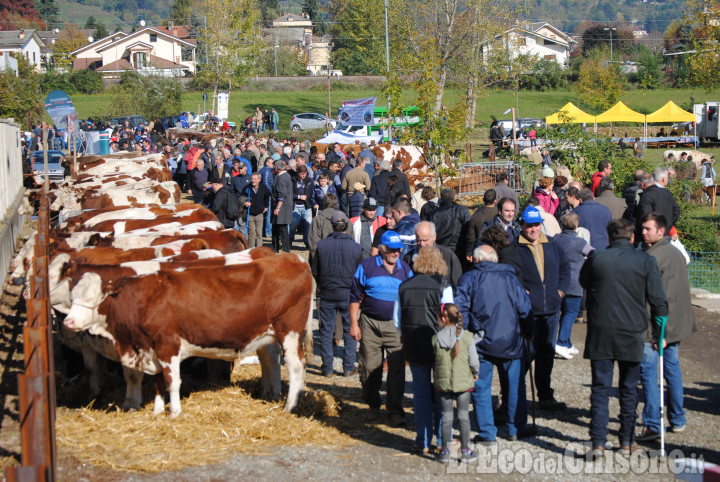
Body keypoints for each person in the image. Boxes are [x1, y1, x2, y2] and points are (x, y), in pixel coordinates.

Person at [579, 219, 668, 459]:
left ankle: (598, 441)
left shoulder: (596, 258)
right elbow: (659, 301)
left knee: (600, 388)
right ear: (632, 237)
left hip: (601, 331)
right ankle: (627, 439)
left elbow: (583, 282)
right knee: (629, 388)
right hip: (632, 331)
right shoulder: (645, 261)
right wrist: (660, 335)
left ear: (609, 237)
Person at [454, 245, 533, 444]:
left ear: (478, 260)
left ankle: (487, 433)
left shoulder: (470, 277)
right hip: (511, 340)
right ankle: (516, 428)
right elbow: (525, 309)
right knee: (515, 386)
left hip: (481, 341)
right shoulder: (511, 278)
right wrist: (530, 333)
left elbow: (460, 308)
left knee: (481, 387)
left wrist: (466, 332)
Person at [637, 213, 697, 441]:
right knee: (672, 370)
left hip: (658, 325)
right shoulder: (676, 253)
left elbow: (657, 298)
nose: (643, 232)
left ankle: (653, 423)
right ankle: (678, 418)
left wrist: (656, 332)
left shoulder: (652, 257)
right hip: (676, 322)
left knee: (650, 373)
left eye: (648, 229)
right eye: (642, 228)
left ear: (661, 231)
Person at [394, 247, 454, 455]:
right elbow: (451, 319)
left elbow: (396, 319)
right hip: (439, 344)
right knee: (441, 392)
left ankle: (423, 440)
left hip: (414, 342)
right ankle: (443, 439)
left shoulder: (404, 286)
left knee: (420, 393)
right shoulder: (443, 286)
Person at [350, 231, 413, 425]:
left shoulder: (405, 269)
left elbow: (410, 298)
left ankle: (394, 410)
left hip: (395, 327)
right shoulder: (366, 266)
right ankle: (373, 405)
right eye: (392, 250)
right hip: (369, 324)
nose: (396, 254)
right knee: (369, 367)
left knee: (396, 370)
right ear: (382, 249)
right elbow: (354, 296)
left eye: (398, 250)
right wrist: (354, 323)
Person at [516, 206, 569, 411]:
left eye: (536, 225)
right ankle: (512, 393)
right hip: (529, 310)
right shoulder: (516, 248)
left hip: (551, 308)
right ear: (522, 226)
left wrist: (561, 291)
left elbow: (565, 269)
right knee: (526, 354)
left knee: (546, 353)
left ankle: (545, 395)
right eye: (529, 225)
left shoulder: (553, 245)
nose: (533, 229)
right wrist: (522, 293)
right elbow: (512, 275)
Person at [312, 211, 363, 378]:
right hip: (348, 294)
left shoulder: (322, 245)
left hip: (328, 292)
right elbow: (360, 273)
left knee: (326, 331)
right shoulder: (356, 248)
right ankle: (348, 366)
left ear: (332, 226)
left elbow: (315, 270)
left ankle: (327, 367)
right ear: (346, 227)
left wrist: (323, 284)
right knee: (349, 329)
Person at [432, 302, 479, 463]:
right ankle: (466, 451)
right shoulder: (467, 337)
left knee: (446, 417)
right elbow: (474, 360)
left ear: (443, 319)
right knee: (464, 417)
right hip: (464, 383)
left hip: (443, 384)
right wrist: (475, 373)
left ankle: (445, 451)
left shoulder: (435, 338)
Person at [551, 213, 593, 359]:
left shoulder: (554, 240)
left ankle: (566, 343)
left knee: (557, 314)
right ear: (576, 226)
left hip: (556, 283)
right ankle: (562, 342)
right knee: (570, 314)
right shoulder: (580, 242)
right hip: (575, 283)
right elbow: (593, 254)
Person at [403, 221, 462, 289]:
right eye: (419, 240)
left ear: (434, 236)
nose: (422, 244)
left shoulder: (448, 256)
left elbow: (458, 285)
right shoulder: (409, 258)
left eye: (425, 240)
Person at [429, 188, 471, 261]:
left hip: (442, 249)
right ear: (454, 198)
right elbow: (469, 228)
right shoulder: (462, 210)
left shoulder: (434, 213)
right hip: (458, 249)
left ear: (441, 199)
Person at [636, 167, 681, 232]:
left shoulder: (647, 193)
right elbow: (676, 211)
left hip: (652, 232)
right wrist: (668, 224)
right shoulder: (667, 193)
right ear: (663, 179)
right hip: (664, 230)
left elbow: (645, 215)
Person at [464, 189, 498, 261]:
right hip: (497, 251)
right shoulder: (500, 215)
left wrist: (469, 252)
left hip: (480, 253)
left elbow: (471, 238)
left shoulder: (476, 216)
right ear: (495, 201)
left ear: (483, 200)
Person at [271, 160, 293, 253]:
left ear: (276, 168)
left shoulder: (282, 178)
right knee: (276, 228)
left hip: (282, 207)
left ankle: (285, 249)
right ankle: (275, 247)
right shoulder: (285, 176)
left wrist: (278, 207)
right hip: (282, 207)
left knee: (282, 229)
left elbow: (282, 194)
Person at [290, 165, 313, 249]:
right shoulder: (293, 180)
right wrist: (299, 197)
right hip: (296, 206)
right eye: (302, 174)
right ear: (298, 173)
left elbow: (311, 193)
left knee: (308, 225)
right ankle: (290, 239)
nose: (304, 175)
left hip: (306, 206)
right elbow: (290, 193)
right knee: (293, 225)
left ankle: (307, 242)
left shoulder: (309, 180)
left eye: (305, 173)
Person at [244, 172, 270, 248]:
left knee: (259, 232)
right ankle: (251, 249)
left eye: (255, 179)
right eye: (252, 178)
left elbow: (267, 197)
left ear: (259, 179)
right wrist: (245, 202)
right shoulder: (247, 188)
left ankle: (259, 249)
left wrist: (266, 207)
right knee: (251, 233)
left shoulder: (263, 187)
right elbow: (241, 197)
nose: (253, 180)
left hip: (259, 213)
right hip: (250, 214)